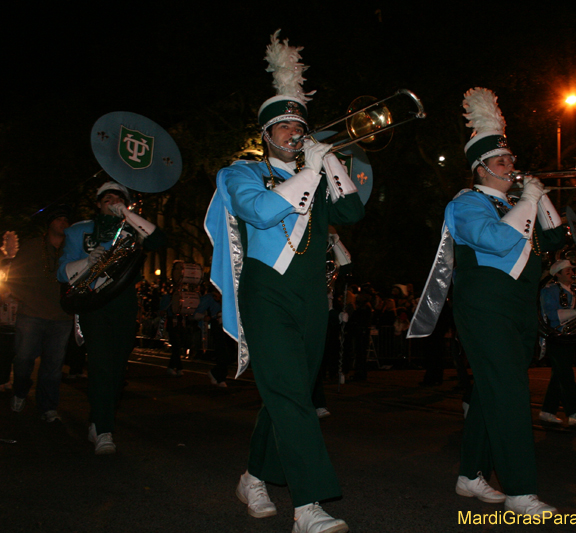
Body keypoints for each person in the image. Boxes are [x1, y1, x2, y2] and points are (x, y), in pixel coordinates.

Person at [204, 31, 363, 533]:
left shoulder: (315, 169)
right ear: (267, 133)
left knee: (287, 392)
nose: (295, 132)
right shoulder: (241, 172)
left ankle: (254, 475)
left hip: (311, 295)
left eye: (300, 124)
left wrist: (329, 159)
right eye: (285, 126)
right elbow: (260, 211)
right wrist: (309, 173)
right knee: (294, 398)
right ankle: (309, 505)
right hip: (266, 292)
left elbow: (353, 209)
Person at [411, 88, 567, 515]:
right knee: (511, 394)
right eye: (502, 162)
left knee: (492, 392)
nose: (511, 167)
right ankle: (519, 490)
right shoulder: (467, 203)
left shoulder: (521, 204)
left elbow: (555, 237)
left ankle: (470, 474)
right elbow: (496, 240)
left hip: (518, 309)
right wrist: (530, 201)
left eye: (511, 160)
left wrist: (541, 195)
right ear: (480, 170)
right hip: (485, 308)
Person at [58, 181, 166, 454]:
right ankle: (103, 428)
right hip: (94, 302)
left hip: (123, 302)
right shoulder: (78, 231)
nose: (112, 201)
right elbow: (61, 272)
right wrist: (86, 262)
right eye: (107, 198)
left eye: (118, 198)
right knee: (101, 363)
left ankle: (99, 419)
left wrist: (128, 215)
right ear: (97, 203)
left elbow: (159, 240)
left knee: (117, 368)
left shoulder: (133, 229)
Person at [6, 205, 73, 422]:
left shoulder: (72, 249)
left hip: (61, 317)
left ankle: (48, 406)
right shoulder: (33, 246)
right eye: (58, 218)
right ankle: (20, 389)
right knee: (24, 359)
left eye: (66, 219)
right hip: (32, 314)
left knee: (53, 366)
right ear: (50, 222)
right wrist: (25, 298)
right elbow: (13, 277)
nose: (63, 222)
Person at [538, 260, 576, 426]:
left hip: (568, 337)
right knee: (566, 375)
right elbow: (553, 315)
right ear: (558, 274)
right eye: (566, 270)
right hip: (556, 337)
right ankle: (574, 412)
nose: (570, 272)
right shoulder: (550, 291)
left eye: (571, 270)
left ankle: (547, 411)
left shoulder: (574, 291)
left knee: (559, 375)